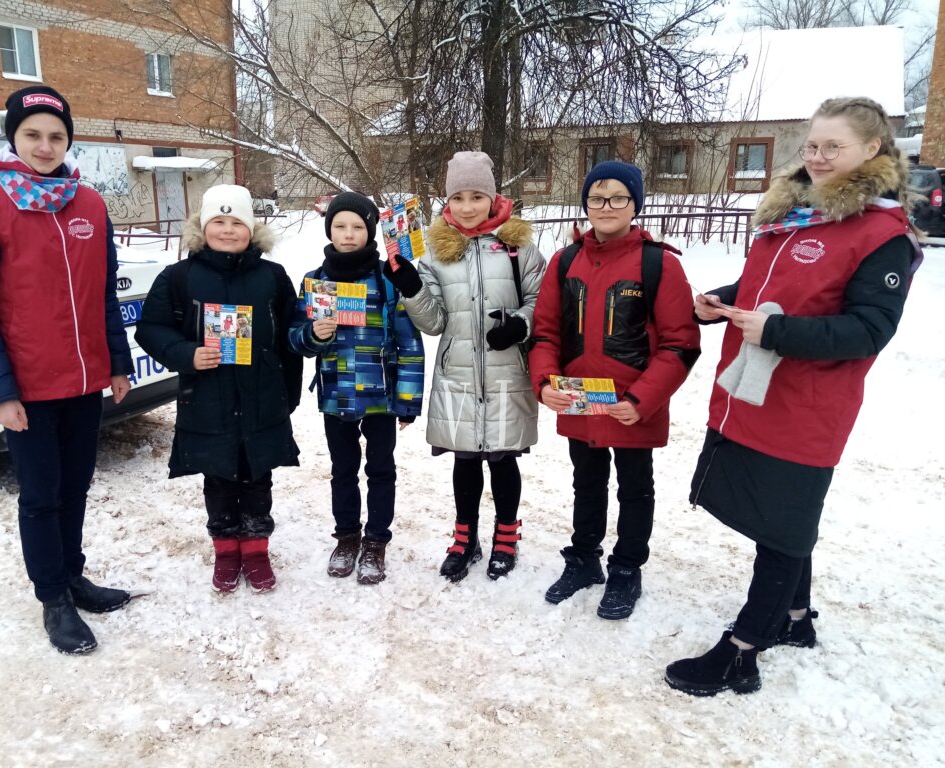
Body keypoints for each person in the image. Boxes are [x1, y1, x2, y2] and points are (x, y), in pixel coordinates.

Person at [665, 97, 921, 696]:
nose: (819, 157)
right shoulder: (797, 215)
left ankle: (741, 652)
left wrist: (776, 331)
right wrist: (723, 302)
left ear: (871, 151)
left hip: (806, 407)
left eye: (834, 147)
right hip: (755, 395)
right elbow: (770, 288)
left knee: (783, 529)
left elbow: (869, 330)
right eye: (812, 146)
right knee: (778, 520)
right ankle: (797, 619)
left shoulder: (881, 233)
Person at [0, 85, 135, 655]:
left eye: (56, 135)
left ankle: (73, 575)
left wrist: (117, 364)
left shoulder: (91, 205)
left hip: (83, 382)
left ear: (68, 139)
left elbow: (103, 297)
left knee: (75, 487)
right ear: (13, 138)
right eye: (33, 135)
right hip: (27, 388)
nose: (46, 145)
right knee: (42, 493)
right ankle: (52, 596)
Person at [529, 161, 701, 619]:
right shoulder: (565, 262)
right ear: (585, 204)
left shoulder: (658, 263)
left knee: (634, 489)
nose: (606, 207)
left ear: (635, 205)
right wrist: (545, 383)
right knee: (586, 484)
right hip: (581, 401)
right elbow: (545, 333)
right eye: (596, 198)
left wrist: (641, 400)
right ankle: (584, 559)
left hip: (632, 407)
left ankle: (626, 568)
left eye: (618, 198)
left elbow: (680, 344)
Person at [383, 151, 546, 582]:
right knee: (466, 460)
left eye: (477, 196)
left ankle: (507, 536)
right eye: (459, 197)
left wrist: (520, 325)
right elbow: (434, 321)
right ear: (448, 201)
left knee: (504, 459)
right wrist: (410, 286)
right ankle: (465, 536)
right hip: (457, 372)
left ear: (493, 198)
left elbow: (542, 300)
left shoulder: (518, 246)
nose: (468, 206)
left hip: (506, 372)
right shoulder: (436, 251)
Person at [135, 184, 302, 595]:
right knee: (220, 478)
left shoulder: (273, 277)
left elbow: (288, 338)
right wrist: (185, 353)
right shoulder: (179, 277)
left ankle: (257, 551)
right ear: (203, 227)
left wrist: (288, 396)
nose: (228, 230)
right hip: (207, 399)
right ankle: (226, 551)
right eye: (219, 222)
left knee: (258, 478)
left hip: (262, 398)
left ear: (251, 229)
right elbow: (151, 329)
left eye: (237, 223)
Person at [289, 192, 425, 584]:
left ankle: (376, 542)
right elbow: (295, 338)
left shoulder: (387, 280)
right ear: (329, 229)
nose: (348, 235)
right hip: (336, 396)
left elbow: (409, 342)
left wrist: (408, 400)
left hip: (381, 398)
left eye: (357, 227)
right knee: (342, 471)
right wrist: (313, 335)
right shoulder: (316, 282)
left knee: (381, 471)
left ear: (370, 231)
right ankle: (347, 538)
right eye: (339, 226)